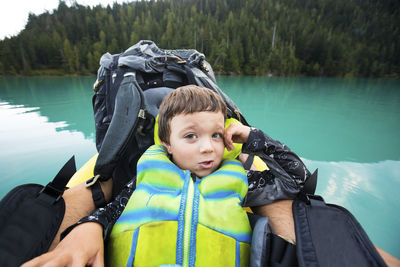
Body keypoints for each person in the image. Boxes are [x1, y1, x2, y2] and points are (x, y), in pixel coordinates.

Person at [23, 86, 400, 266]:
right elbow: (110, 211)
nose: (208, 148)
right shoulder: (145, 177)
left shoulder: (243, 180)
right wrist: (88, 228)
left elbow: (298, 182)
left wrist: (254, 139)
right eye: (191, 136)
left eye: (216, 136)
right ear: (166, 144)